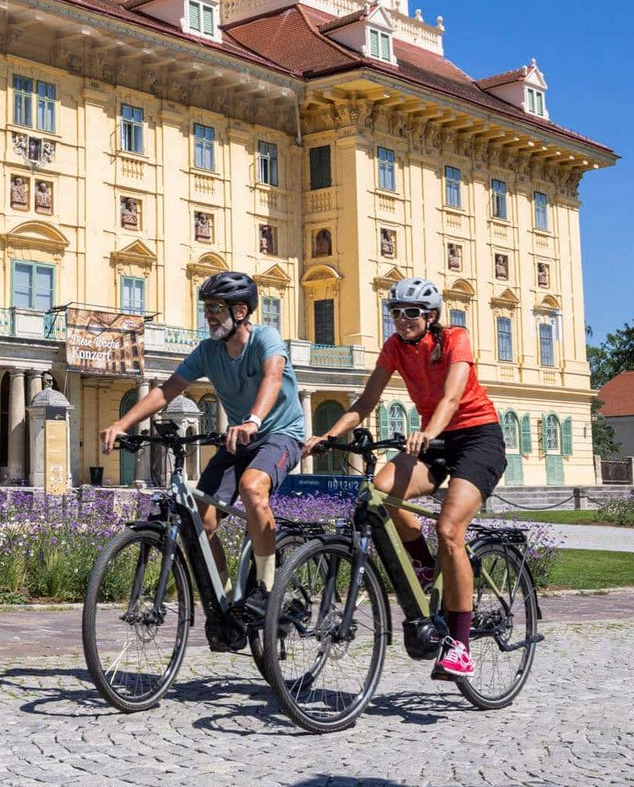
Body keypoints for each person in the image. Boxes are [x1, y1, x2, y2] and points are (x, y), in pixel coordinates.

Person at [302, 276, 509, 681]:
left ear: (430, 316)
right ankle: (426, 567)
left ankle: (460, 648)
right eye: (395, 312)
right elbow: (365, 402)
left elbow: (452, 396)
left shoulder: (455, 339)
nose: (402, 319)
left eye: (411, 312)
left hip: (477, 438)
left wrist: (428, 432)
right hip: (434, 439)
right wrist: (328, 435)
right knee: (381, 492)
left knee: (449, 530)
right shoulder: (394, 347)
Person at [99, 271, 306, 650]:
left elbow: (273, 378)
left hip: (280, 434)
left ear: (240, 311)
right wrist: (121, 423)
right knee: (202, 520)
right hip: (238, 440)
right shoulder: (208, 352)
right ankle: (228, 604)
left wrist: (253, 420)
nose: (208, 315)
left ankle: (266, 589)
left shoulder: (266, 338)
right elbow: (168, 389)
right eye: (205, 308)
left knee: (252, 488)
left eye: (215, 308)